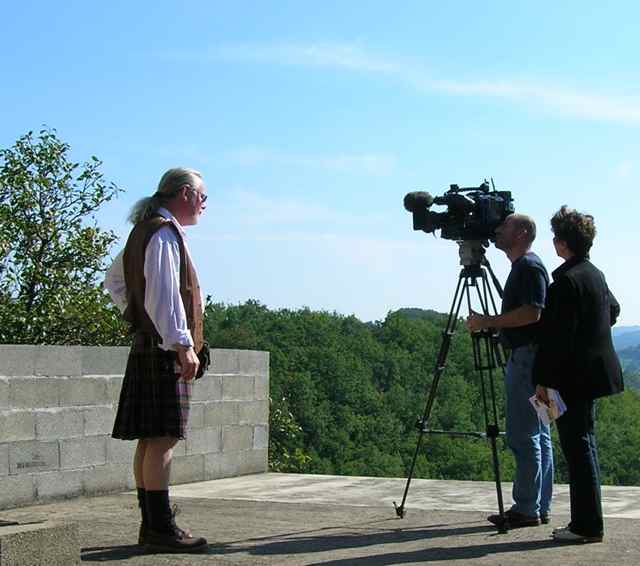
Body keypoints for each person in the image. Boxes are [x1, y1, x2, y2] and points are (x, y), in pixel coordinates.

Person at [104, 167, 209, 553]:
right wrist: (182, 344)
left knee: (150, 440)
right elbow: (165, 296)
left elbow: (114, 282)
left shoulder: (143, 230)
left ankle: (152, 526)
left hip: (149, 344)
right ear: (184, 193)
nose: (204, 204)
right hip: (164, 350)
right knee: (162, 438)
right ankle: (161, 529)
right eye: (202, 196)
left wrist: (138, 319)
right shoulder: (164, 234)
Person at [533, 206, 623, 543]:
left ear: (563, 243)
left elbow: (555, 342)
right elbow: (613, 309)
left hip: (573, 378)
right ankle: (588, 522)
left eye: (556, 238)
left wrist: (543, 381)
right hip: (595, 373)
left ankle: (586, 526)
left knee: (578, 448)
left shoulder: (565, 282)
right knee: (585, 446)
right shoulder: (593, 273)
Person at [466, 213, 554, 528]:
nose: (498, 231)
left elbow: (533, 313)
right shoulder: (528, 265)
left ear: (522, 233)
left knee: (524, 433)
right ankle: (538, 506)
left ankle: (526, 508)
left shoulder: (529, 267)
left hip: (527, 360)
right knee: (541, 432)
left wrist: (488, 321)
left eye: (505, 227)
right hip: (536, 360)